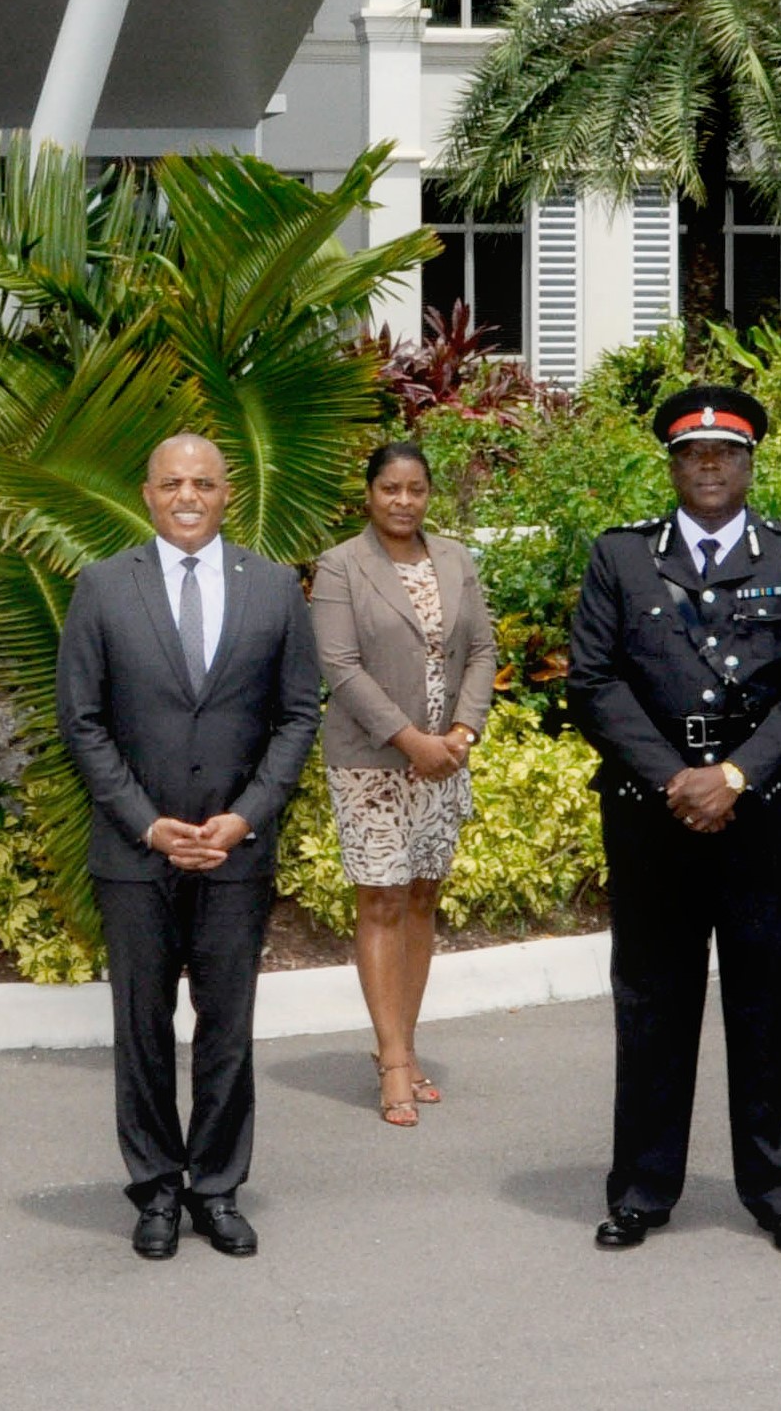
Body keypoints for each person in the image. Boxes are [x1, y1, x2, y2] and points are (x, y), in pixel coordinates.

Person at [570, 385, 781, 1255]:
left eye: (726, 454)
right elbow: (595, 683)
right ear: (674, 466)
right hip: (654, 817)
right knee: (653, 1003)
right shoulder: (622, 559)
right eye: (694, 455)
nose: (711, 467)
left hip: (763, 814)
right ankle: (644, 1186)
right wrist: (676, 780)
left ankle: (778, 1186)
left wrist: (732, 774)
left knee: (770, 1003)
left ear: (750, 463)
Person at [53, 433, 321, 1261]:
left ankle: (216, 1186)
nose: (188, 496)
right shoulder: (101, 587)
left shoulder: (275, 587)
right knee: (141, 1027)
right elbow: (83, 721)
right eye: (172, 482)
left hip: (235, 850)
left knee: (227, 1028)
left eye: (203, 482)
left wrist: (244, 816)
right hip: (137, 852)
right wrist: (145, 820)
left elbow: (298, 715)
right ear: (147, 493)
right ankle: (156, 1189)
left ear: (227, 493)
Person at [308, 440, 498, 1127]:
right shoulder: (341, 565)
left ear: (428, 494)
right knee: (381, 898)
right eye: (390, 488)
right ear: (369, 493)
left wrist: (461, 734)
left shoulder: (454, 558)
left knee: (421, 895)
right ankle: (390, 1063)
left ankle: (405, 1043)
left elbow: (481, 650)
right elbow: (340, 665)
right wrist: (411, 741)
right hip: (371, 761)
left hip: (445, 760)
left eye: (415, 489)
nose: (402, 501)